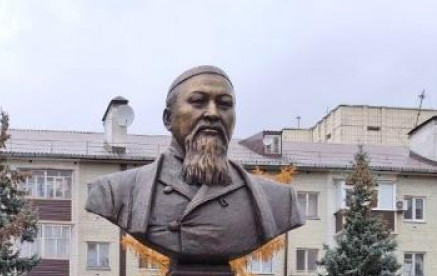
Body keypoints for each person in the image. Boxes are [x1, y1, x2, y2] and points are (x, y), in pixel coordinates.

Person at [85, 65, 304, 265]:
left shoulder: (279, 201)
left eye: (225, 104)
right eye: (198, 101)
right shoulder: (114, 192)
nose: (213, 113)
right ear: (168, 119)